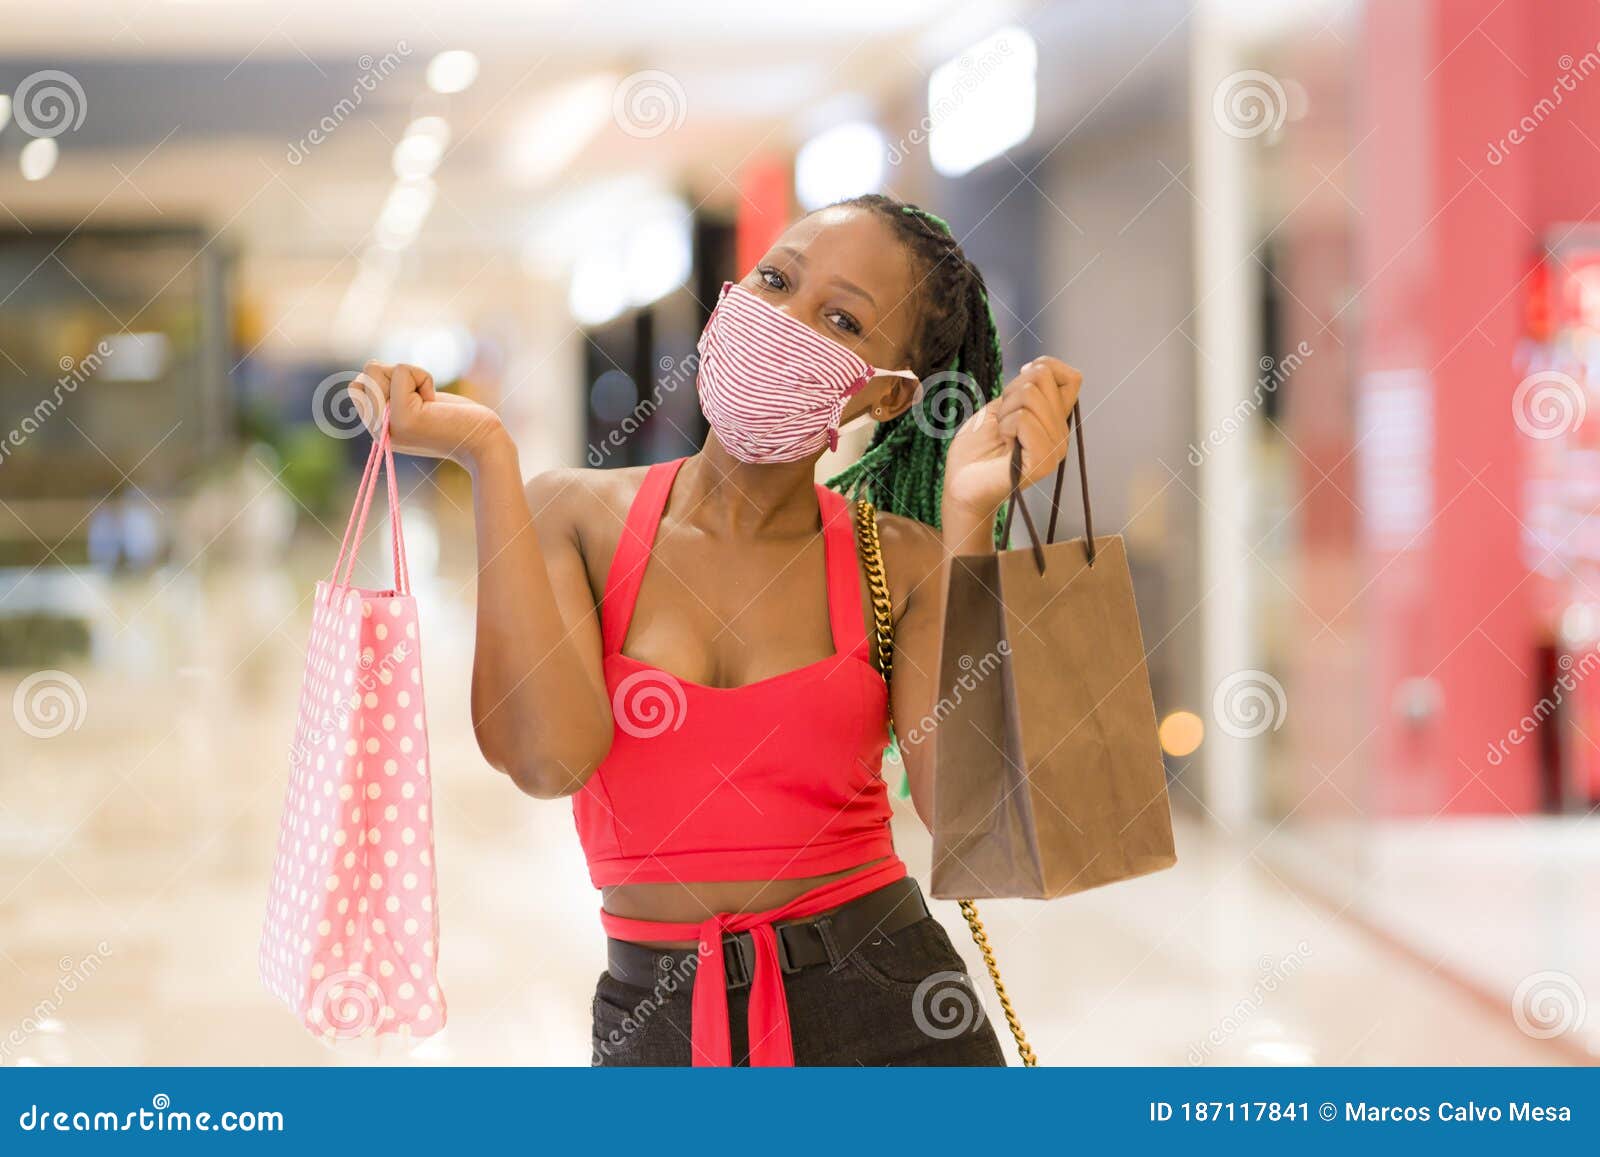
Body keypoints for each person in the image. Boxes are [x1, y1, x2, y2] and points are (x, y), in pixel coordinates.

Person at [356, 194, 1083, 1066]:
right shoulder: (571, 516)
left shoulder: (900, 559)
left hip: (886, 1010)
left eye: (841, 318)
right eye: (776, 279)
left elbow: (972, 825)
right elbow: (549, 760)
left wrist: (970, 514)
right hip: (656, 1023)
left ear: (887, 396)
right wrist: (485, 451)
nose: (783, 320)